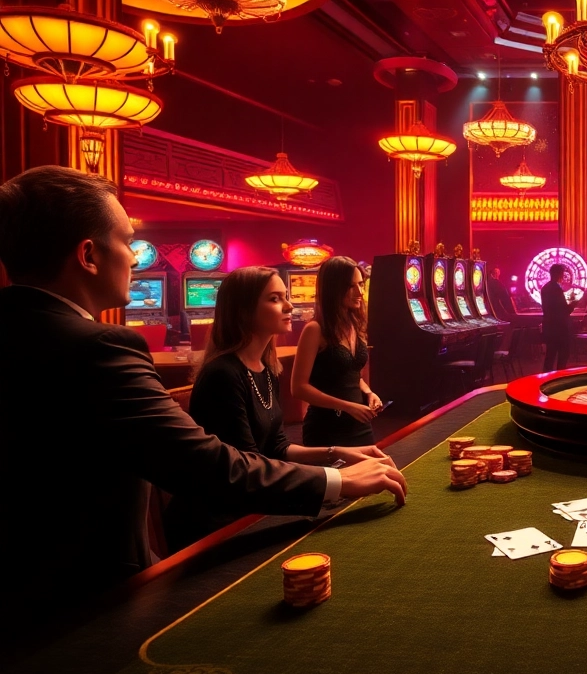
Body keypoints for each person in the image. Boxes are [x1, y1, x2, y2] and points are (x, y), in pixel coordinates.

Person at [0, 166, 407, 611]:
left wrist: (334, 456)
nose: (137, 258)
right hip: (77, 603)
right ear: (88, 255)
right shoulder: (99, 347)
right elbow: (206, 465)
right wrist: (337, 480)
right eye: (126, 241)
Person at [165, 266, 396, 551]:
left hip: (254, 507)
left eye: (286, 296)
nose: (289, 305)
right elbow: (248, 474)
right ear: (243, 311)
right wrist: (338, 480)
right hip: (218, 527)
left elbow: (277, 447)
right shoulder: (222, 374)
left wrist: (337, 453)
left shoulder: (266, 367)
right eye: (275, 299)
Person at [292, 257, 382, 447]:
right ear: (333, 289)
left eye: (360, 284)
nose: (359, 292)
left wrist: (368, 392)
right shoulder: (315, 329)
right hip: (326, 428)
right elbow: (298, 387)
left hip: (359, 423)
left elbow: (350, 375)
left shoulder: (355, 325)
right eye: (351, 286)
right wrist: (346, 406)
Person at [541, 263, 575, 372]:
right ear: (559, 274)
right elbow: (565, 310)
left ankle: (545, 379)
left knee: (550, 356)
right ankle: (559, 378)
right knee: (563, 356)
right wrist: (574, 303)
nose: (563, 276)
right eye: (562, 274)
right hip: (560, 328)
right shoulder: (556, 289)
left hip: (549, 326)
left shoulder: (545, 288)